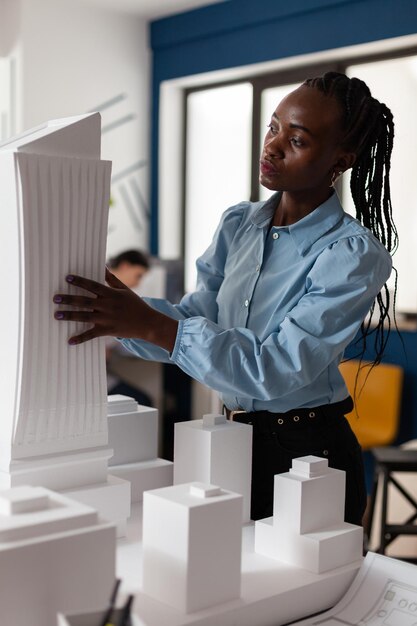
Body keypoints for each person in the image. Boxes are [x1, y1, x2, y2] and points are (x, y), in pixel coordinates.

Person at [53, 71, 397, 525]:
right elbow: (198, 317)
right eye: (273, 127)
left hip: (308, 453)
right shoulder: (239, 224)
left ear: (341, 159)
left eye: (297, 140)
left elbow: (276, 368)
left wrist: (152, 325)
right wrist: (117, 315)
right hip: (228, 439)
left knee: (306, 591)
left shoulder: (351, 254)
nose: (272, 146)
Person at [106, 250, 152, 407]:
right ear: (125, 266)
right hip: (91, 377)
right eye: (138, 275)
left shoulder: (115, 296)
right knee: (142, 402)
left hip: (103, 371)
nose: (138, 283)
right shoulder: (105, 292)